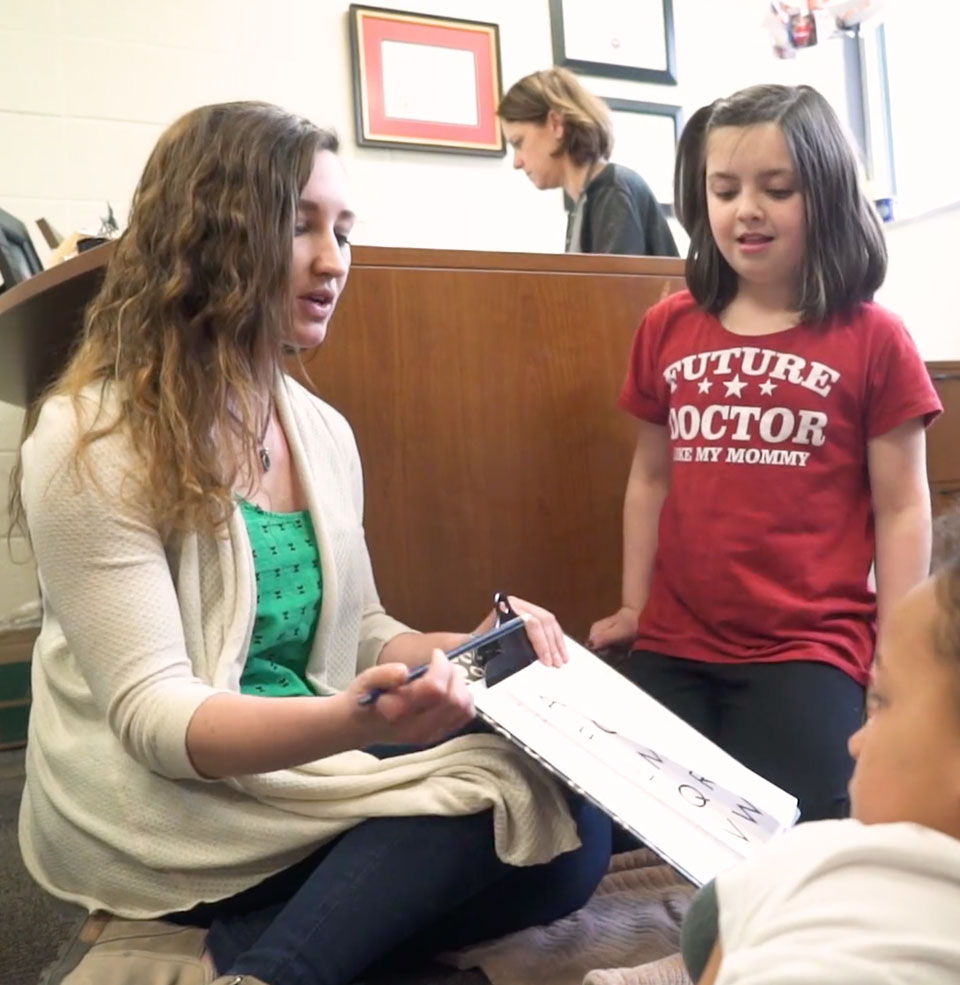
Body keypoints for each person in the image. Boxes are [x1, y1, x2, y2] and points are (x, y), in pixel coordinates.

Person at [10, 101, 610, 985]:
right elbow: (154, 720)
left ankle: (245, 949)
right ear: (207, 237)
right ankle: (283, 966)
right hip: (174, 797)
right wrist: (351, 719)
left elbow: (362, 626)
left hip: (305, 753)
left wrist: (466, 651)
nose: (335, 261)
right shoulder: (88, 439)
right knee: (483, 801)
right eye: (299, 228)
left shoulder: (319, 430)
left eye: (344, 230)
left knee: (571, 829)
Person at [588, 84, 941, 823]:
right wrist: (632, 603)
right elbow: (650, 476)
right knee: (610, 811)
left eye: (775, 189)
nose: (746, 209)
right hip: (677, 636)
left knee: (805, 816)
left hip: (807, 645)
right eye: (725, 189)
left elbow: (903, 504)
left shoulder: (874, 337)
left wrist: (899, 649)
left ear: (827, 197)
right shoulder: (667, 327)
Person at [680, 535, 960, 984]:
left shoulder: (805, 858)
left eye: (882, 701)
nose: (855, 744)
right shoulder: (801, 859)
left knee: (716, 911)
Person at [497, 67, 679, 257]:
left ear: (556, 124)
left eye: (519, 143)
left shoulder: (612, 191)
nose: (517, 162)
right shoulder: (591, 201)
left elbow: (614, 287)